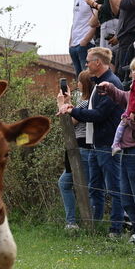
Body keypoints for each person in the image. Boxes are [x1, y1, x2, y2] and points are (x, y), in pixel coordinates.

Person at [64, 47, 125, 237]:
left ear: (98, 62)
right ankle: (94, 226)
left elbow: (100, 115)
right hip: (96, 144)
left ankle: (116, 228)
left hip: (107, 144)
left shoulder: (111, 84)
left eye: (88, 61)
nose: (86, 64)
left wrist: (73, 111)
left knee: (114, 188)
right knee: (95, 188)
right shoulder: (98, 83)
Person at [57, 71, 93, 231]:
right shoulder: (83, 102)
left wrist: (60, 105)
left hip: (81, 148)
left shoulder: (85, 104)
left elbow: (70, 123)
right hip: (77, 147)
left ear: (84, 83)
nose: (77, 84)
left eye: (79, 81)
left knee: (68, 183)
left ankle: (74, 222)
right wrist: (68, 102)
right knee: (69, 183)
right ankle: (74, 221)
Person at [68, 0, 96, 76]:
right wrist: (70, 42)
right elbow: (75, 20)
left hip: (85, 43)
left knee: (87, 77)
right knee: (79, 78)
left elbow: (96, 20)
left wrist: (85, 40)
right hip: (74, 43)